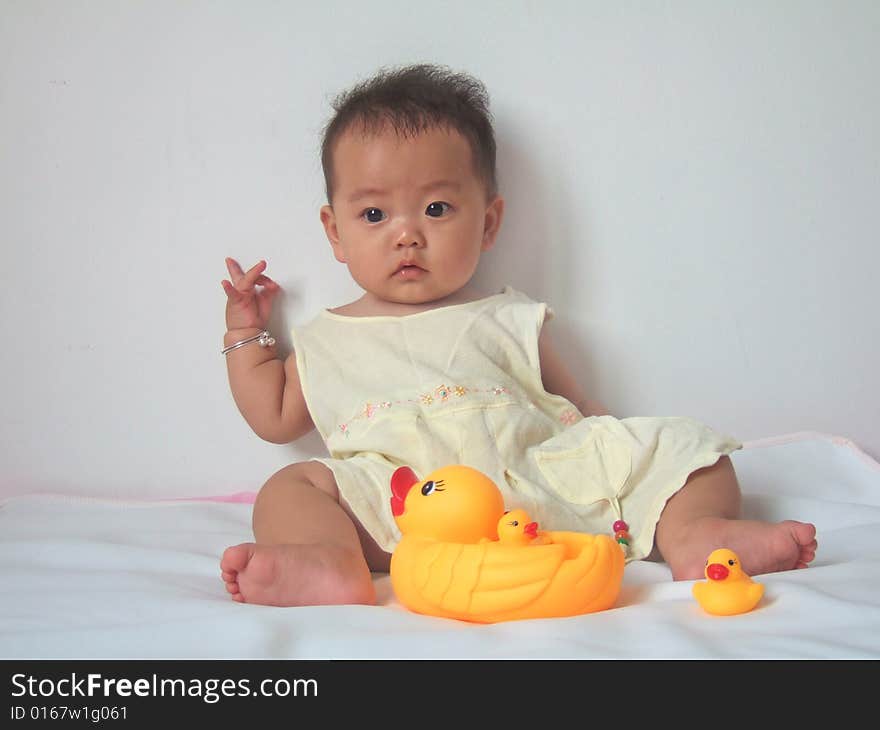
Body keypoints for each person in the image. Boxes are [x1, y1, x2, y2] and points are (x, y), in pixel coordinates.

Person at [219, 64, 817, 607]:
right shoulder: (330, 338)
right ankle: (332, 562)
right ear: (335, 232)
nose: (407, 236)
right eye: (374, 215)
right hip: (407, 502)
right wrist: (246, 330)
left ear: (488, 222)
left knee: (688, 449)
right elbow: (274, 415)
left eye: (436, 209)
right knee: (290, 487)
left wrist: (625, 454)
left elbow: (579, 408)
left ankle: (696, 535)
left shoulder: (508, 316)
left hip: (534, 485)